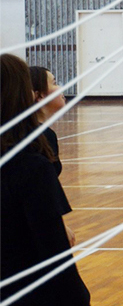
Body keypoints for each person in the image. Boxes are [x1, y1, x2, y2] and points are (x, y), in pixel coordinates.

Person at [0, 54, 93, 306]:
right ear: (29, 95)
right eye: (53, 82)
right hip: (26, 293)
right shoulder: (31, 164)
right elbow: (54, 254)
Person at [29, 66, 76, 246]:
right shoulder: (40, 137)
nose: (60, 88)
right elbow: (41, 192)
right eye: (54, 83)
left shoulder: (43, 133)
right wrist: (59, 225)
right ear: (40, 95)